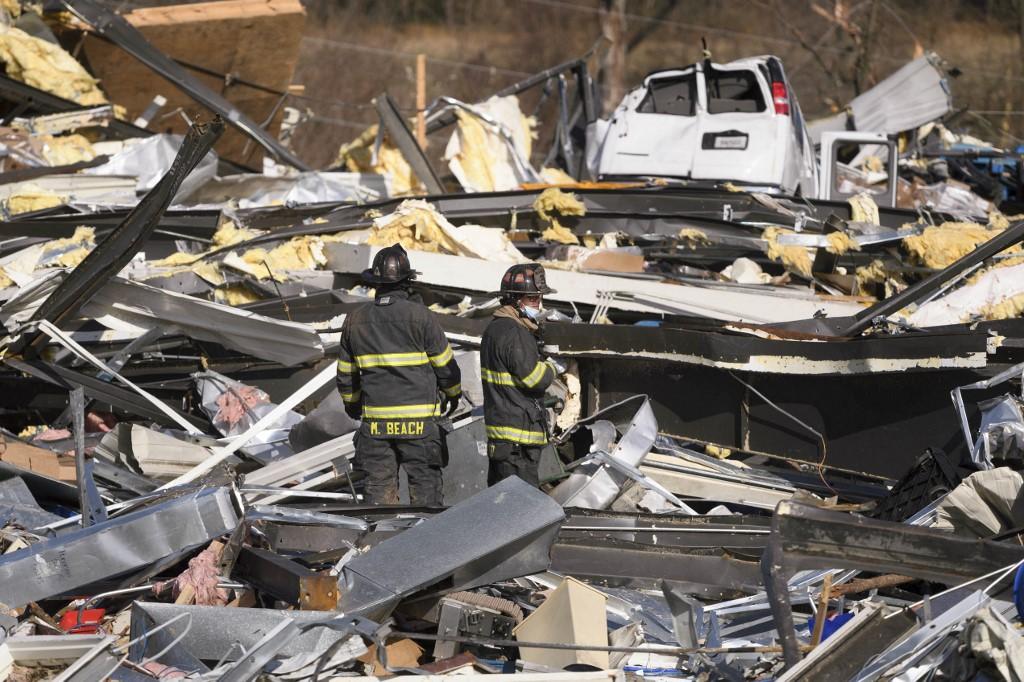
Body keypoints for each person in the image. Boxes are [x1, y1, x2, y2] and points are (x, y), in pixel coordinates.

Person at [336, 244, 461, 505]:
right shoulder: (421, 317)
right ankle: (426, 544)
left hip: (375, 427)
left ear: (375, 283)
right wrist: (453, 394)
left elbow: (346, 375)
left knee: (378, 498)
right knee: (425, 495)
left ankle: (381, 543)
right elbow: (446, 367)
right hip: (419, 426)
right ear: (407, 283)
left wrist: (353, 405)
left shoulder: (355, 320)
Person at [480, 263, 558, 487]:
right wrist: (554, 366)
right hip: (518, 441)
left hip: (504, 437)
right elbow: (534, 380)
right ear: (515, 300)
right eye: (533, 299)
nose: (538, 304)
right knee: (521, 512)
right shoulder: (515, 333)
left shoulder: (495, 328)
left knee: (501, 506)